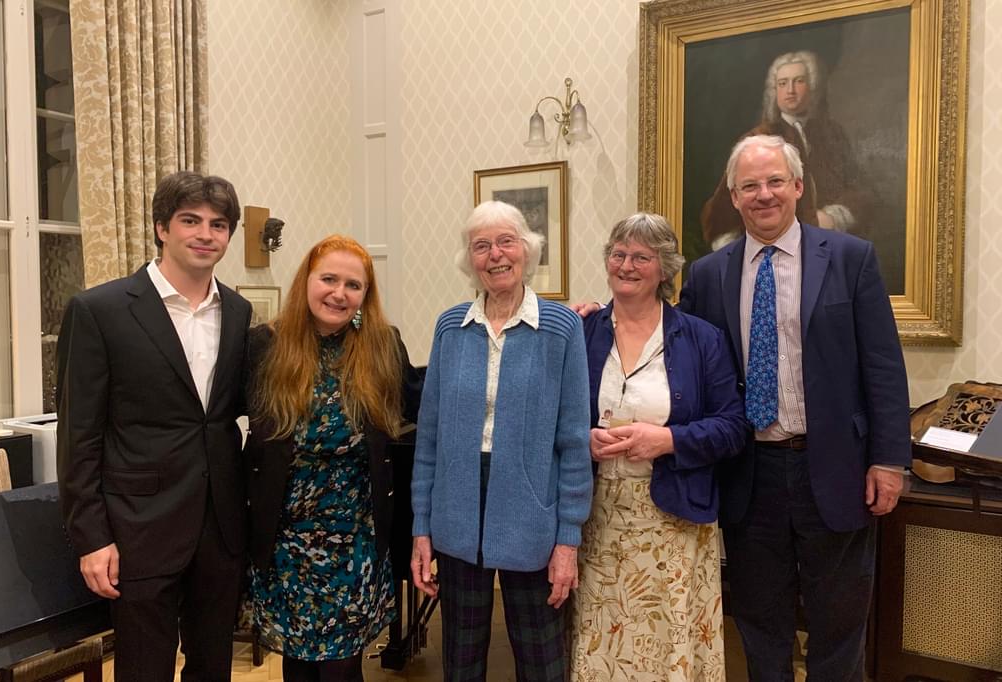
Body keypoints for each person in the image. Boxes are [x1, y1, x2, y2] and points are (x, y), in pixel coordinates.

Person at [679, 134, 911, 681]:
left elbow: (883, 366)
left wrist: (889, 460)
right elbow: (678, 349)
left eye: (775, 182)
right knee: (760, 622)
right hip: (749, 473)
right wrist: (600, 315)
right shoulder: (709, 274)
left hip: (835, 468)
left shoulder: (851, 259)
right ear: (733, 197)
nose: (764, 195)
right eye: (750, 185)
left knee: (839, 623)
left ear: (798, 188)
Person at [56, 171, 251, 681]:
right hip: (137, 527)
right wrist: (91, 538)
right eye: (191, 220)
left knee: (213, 668)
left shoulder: (238, 310)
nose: (206, 234)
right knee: (144, 670)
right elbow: (79, 436)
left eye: (218, 224)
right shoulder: (98, 310)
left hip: (220, 526)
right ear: (162, 227)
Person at [410, 200, 593, 682]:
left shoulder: (560, 327)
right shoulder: (451, 326)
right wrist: (421, 528)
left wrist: (568, 540)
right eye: (481, 246)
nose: (495, 255)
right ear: (470, 259)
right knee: (461, 661)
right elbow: (428, 436)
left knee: (541, 661)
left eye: (506, 241)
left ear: (527, 250)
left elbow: (574, 441)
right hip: (456, 514)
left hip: (532, 516)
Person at [570, 213, 749, 681]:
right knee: (602, 636)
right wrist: (580, 439)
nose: (627, 265)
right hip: (596, 516)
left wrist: (668, 440)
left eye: (642, 257)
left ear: (665, 268)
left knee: (666, 640)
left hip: (673, 518)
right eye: (618, 253)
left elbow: (732, 427)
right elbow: (551, 419)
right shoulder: (580, 332)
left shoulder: (700, 338)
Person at [243, 235, 422, 682]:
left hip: (356, 539)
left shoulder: (383, 345)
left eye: (353, 285)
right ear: (306, 281)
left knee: (341, 668)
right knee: (299, 663)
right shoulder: (264, 345)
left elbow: (425, 412)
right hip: (286, 541)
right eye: (328, 279)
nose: (339, 293)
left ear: (365, 295)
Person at [701, 50, 868, 251]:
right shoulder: (757, 138)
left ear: (813, 87)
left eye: (799, 81)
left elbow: (860, 188)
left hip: (829, 246)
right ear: (774, 91)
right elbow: (724, 208)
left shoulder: (832, 134)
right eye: (782, 83)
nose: (790, 90)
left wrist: (834, 217)